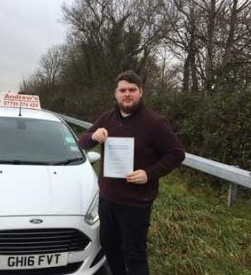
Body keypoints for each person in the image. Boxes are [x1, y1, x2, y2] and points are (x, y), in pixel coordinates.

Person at [79, 70, 185, 275]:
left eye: (132, 90)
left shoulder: (155, 123)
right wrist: (94, 135)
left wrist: (149, 173)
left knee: (134, 254)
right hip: (108, 198)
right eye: (123, 90)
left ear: (140, 92)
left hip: (136, 202)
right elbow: (83, 141)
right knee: (110, 247)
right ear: (116, 94)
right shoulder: (106, 118)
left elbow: (176, 154)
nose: (127, 94)